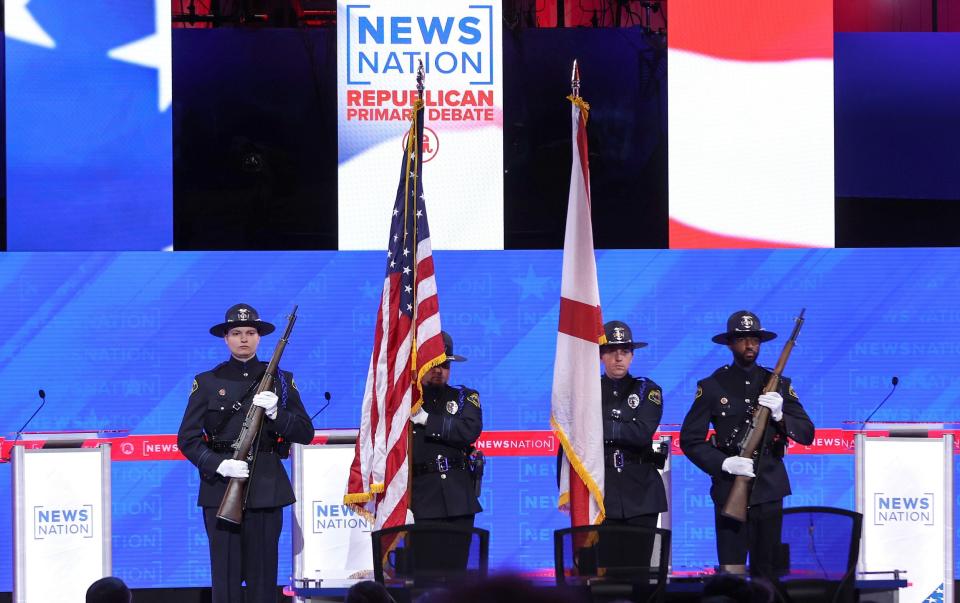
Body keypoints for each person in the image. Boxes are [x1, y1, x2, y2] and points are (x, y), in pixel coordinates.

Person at [177, 303, 314, 603]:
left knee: (263, 580)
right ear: (225, 338)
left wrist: (278, 413)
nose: (244, 338)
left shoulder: (281, 379)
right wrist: (219, 464)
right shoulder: (207, 382)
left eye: (250, 332)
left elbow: (305, 432)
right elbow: (187, 439)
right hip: (221, 490)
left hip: (267, 488)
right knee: (224, 580)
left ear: (259, 337)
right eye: (236, 332)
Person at [680, 310, 814, 578]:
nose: (750, 345)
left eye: (754, 339)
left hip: (769, 488)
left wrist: (780, 415)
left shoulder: (779, 384)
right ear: (730, 343)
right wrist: (724, 463)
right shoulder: (712, 386)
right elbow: (690, 439)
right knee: (732, 573)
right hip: (730, 488)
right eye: (742, 339)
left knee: (769, 574)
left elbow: (807, 433)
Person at [407, 331, 483, 573]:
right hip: (421, 498)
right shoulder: (406, 401)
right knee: (424, 575)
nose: (439, 370)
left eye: (445, 364)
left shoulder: (465, 397)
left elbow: (469, 430)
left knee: (456, 574)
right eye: (434, 364)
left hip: (458, 498)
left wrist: (427, 420)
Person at [595, 320, 668, 571]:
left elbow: (641, 433)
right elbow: (573, 443)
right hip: (600, 495)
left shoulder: (648, 390)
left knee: (638, 575)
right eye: (612, 351)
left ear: (632, 356)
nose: (619, 358)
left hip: (641, 494)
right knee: (602, 577)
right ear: (601, 355)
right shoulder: (586, 391)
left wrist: (600, 428)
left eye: (625, 351)